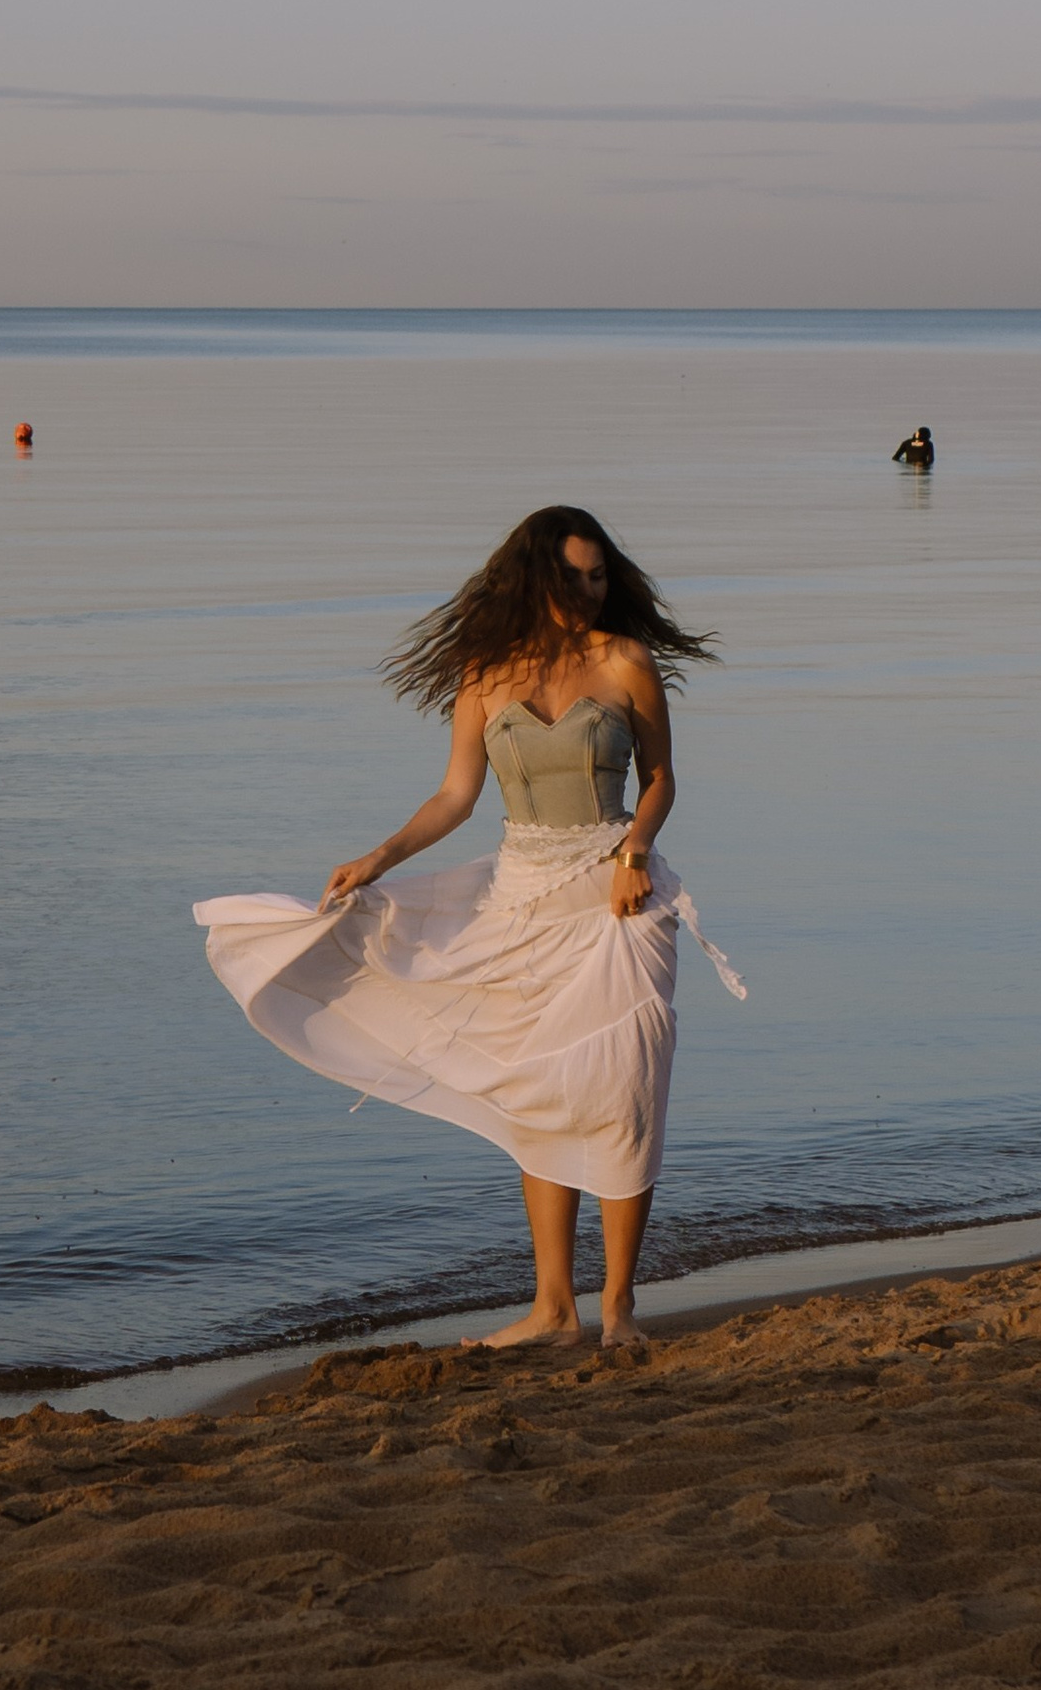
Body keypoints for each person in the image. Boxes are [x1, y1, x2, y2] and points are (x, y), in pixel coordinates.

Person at [193, 506, 742, 1358]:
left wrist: (638, 848)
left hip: (616, 905)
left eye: (601, 576)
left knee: (626, 1094)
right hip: (522, 905)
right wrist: (379, 856)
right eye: (574, 578)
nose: (592, 592)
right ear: (535, 580)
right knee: (538, 1094)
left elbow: (663, 777)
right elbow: (456, 796)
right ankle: (553, 1308)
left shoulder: (627, 664)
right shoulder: (485, 676)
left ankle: (619, 1308)